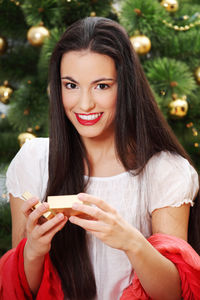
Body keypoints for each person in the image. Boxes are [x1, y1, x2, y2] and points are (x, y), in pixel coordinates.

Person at [2, 16, 200, 300]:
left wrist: (132, 242)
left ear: (126, 87)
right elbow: (20, 292)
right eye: (71, 85)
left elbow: (176, 293)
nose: (84, 104)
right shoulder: (33, 162)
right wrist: (33, 250)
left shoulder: (165, 171)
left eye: (102, 86)